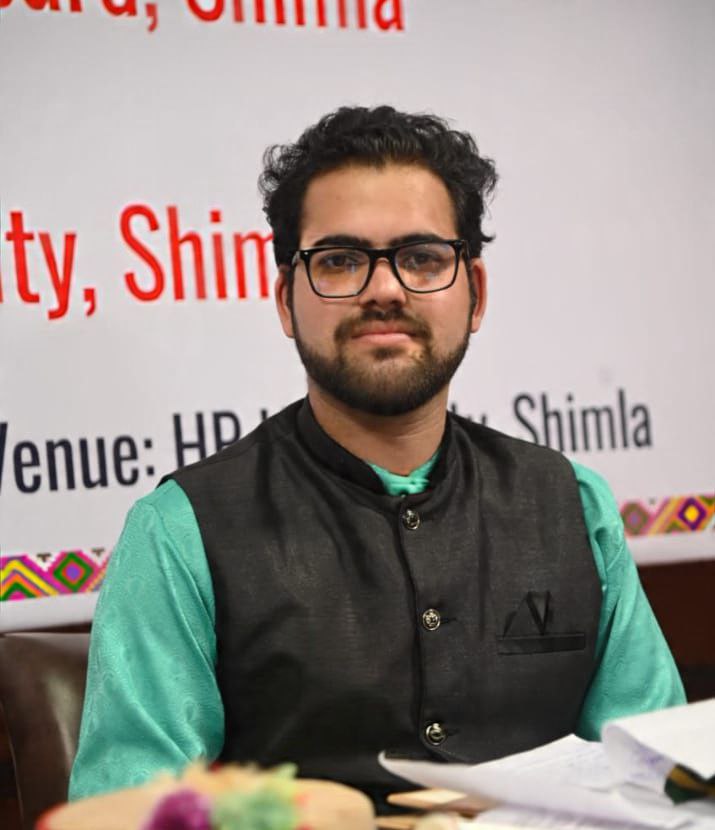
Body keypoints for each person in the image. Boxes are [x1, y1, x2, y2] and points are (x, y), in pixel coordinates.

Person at [69, 106, 684, 808]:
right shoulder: (182, 531)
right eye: (340, 261)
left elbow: (663, 781)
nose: (385, 289)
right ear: (286, 300)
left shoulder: (573, 505)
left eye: (422, 258)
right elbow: (130, 814)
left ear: (475, 293)